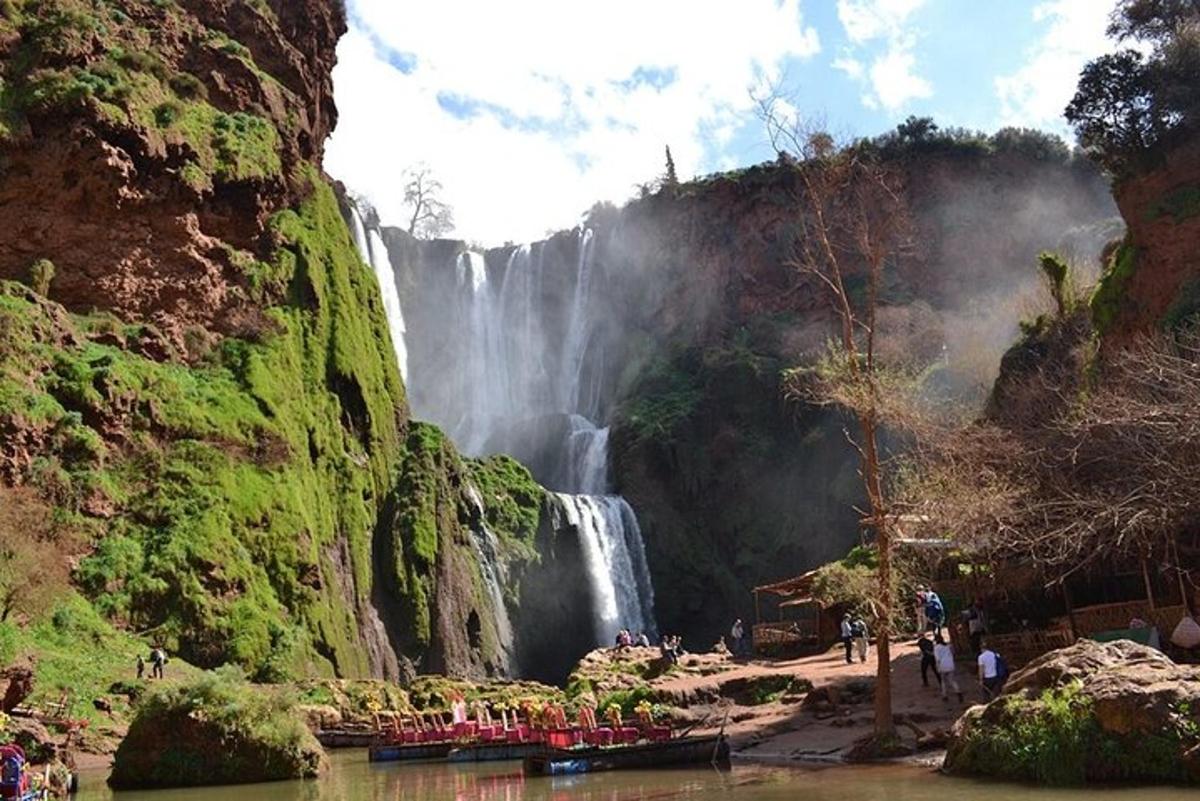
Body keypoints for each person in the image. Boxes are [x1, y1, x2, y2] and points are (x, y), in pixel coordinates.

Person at [933, 634, 963, 703]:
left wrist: (937, 667)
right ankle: (958, 692)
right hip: (950, 664)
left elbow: (937, 659)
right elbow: (953, 653)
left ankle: (944, 695)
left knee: (943, 681)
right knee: (952, 680)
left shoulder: (936, 648)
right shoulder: (948, 646)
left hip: (943, 665)